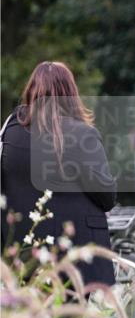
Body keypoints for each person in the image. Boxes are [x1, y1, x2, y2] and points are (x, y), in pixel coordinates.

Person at [1, 61, 117, 287]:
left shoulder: (9, 133)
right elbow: (106, 197)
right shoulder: (82, 135)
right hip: (75, 251)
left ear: (31, 90)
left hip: (19, 248)